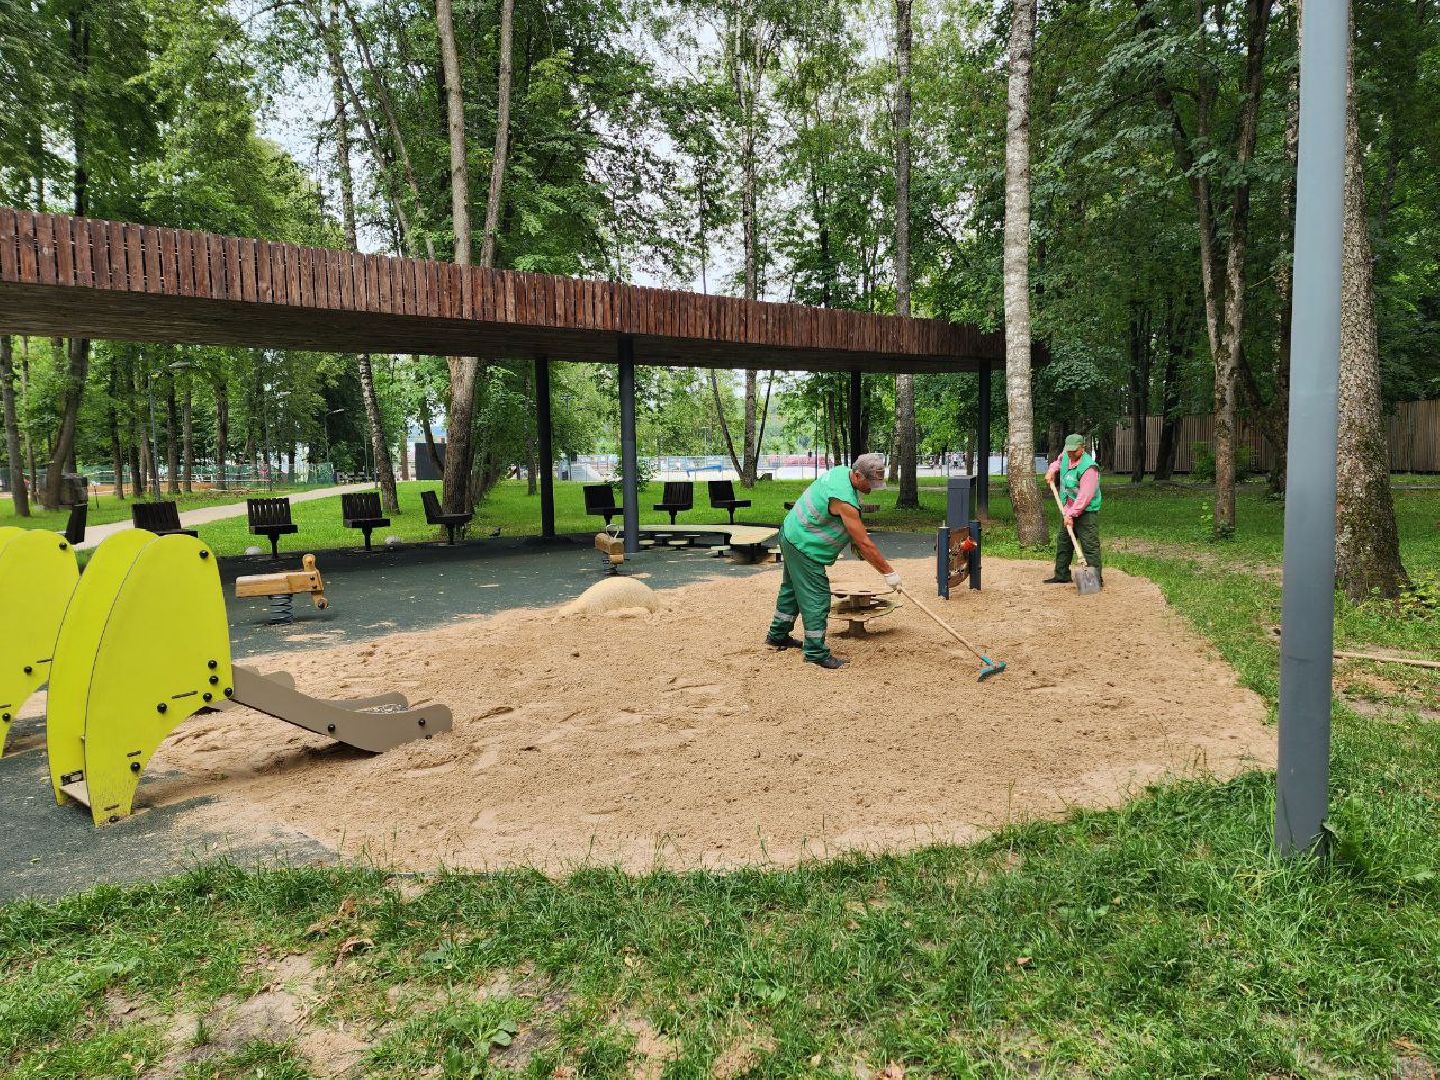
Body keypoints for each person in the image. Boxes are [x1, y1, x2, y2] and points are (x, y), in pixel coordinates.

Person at [766, 453, 899, 669]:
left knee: (791, 589)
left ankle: (778, 635)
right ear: (857, 475)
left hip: (790, 532)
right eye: (870, 482)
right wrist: (889, 573)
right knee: (816, 596)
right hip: (803, 545)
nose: (873, 488)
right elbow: (864, 542)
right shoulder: (844, 499)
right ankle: (815, 652)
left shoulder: (840, 473)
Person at [1044, 433, 1103, 586]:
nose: (1070, 454)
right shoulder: (1066, 455)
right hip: (1068, 508)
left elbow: (1085, 497)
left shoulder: (1089, 468)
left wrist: (1071, 514)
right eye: (1068, 450)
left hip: (1086, 512)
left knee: (1090, 545)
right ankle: (1061, 575)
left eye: (1074, 451)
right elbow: (1057, 462)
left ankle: (1095, 580)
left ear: (1082, 448)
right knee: (1064, 542)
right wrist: (1051, 471)